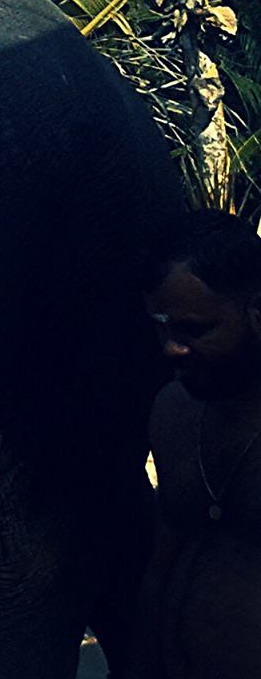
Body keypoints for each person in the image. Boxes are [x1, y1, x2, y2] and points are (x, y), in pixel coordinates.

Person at [131, 208, 261, 678]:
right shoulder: (174, 413)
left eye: (195, 329)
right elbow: (162, 568)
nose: (171, 348)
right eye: (161, 327)